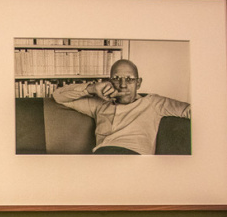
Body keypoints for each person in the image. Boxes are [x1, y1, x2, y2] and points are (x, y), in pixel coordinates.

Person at [52, 59, 190, 155]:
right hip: (102, 158)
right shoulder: (99, 104)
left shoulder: (153, 103)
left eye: (129, 79)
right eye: (117, 78)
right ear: (109, 81)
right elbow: (58, 96)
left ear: (138, 83)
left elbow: (190, 111)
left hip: (135, 159)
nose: (123, 84)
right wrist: (92, 88)